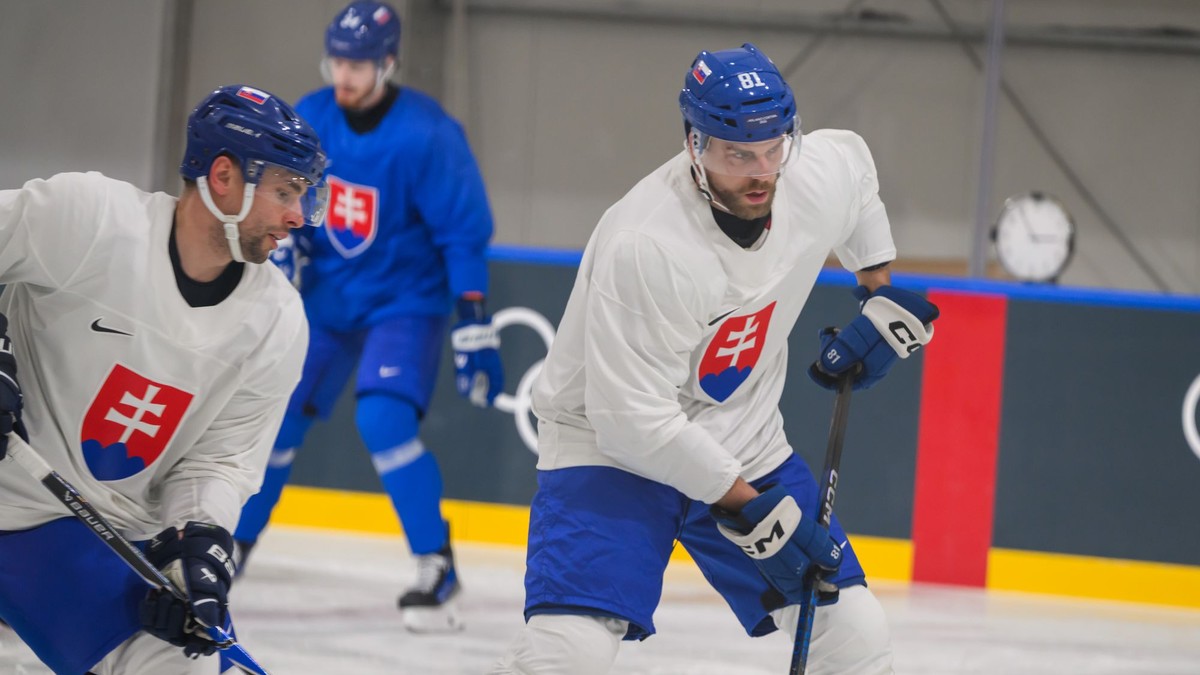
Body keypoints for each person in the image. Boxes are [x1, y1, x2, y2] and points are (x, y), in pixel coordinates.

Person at [491, 43, 940, 674]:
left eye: (774, 148)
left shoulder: (808, 172)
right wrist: (750, 506)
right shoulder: (647, 243)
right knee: (573, 652)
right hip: (609, 447)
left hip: (742, 435)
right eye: (738, 154)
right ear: (695, 144)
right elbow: (632, 422)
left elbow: (857, 173)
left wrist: (877, 291)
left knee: (854, 633)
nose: (762, 172)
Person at [0, 84, 327, 674]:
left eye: (302, 194)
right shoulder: (90, 218)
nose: (297, 216)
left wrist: (196, 546)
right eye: (285, 191)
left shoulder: (277, 321)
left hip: (84, 539)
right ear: (223, 176)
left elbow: (218, 463)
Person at [231, 0, 502, 633]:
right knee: (276, 423)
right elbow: (281, 191)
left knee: (382, 421)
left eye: (357, 65)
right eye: (336, 63)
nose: (343, 77)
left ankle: (436, 561)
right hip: (326, 301)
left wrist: (472, 316)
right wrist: (288, 236)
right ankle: (232, 548)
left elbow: (463, 234)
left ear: (387, 63)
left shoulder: (428, 134)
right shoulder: (314, 114)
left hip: (403, 301)